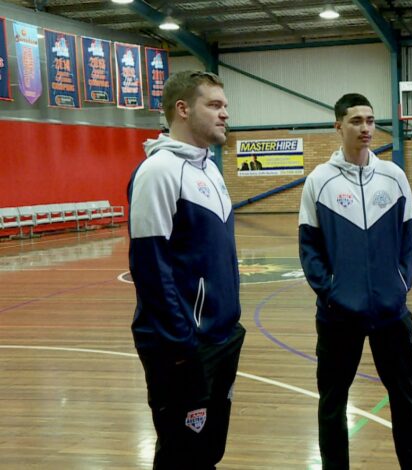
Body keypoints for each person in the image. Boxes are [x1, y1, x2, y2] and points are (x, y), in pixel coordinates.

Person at [298, 93, 412, 469]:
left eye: (370, 120)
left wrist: (400, 285)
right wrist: (332, 292)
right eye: (356, 121)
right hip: (338, 317)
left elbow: (408, 240)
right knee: (332, 403)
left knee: (405, 399)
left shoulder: (394, 177)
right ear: (338, 126)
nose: (366, 128)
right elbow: (309, 249)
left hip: (390, 314)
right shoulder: (319, 181)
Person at [127, 70, 244, 469]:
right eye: (214, 105)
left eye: (225, 105)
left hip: (221, 337)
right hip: (184, 347)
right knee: (181, 456)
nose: (225, 113)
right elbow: (150, 268)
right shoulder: (158, 172)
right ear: (182, 109)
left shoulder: (209, 168)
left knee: (208, 452)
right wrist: (182, 345)